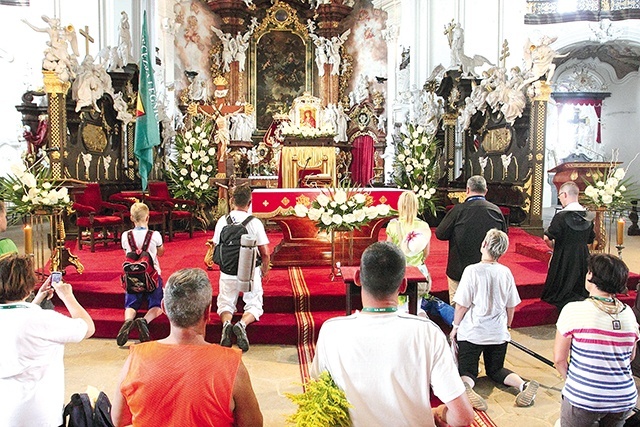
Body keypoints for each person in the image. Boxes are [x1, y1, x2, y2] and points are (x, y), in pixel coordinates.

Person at [310, 242, 475, 427]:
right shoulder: (427, 333)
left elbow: (318, 395)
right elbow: (463, 417)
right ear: (404, 285)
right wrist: (438, 412)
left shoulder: (332, 332)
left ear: (357, 278)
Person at [112, 268, 263, 427]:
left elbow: (118, 420)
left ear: (164, 308)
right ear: (208, 312)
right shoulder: (231, 365)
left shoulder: (135, 359)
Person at [0, 254, 95, 427]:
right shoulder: (43, 320)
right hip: (41, 415)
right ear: (29, 286)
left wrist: (37, 300)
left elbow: (18, 324)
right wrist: (67, 295)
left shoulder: (31, 318)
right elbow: (87, 328)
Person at [450, 229, 539, 411]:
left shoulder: (472, 271)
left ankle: (467, 387)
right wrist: (507, 327)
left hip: (473, 333)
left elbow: (461, 305)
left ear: (484, 245)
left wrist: (455, 327)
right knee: (496, 370)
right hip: (498, 333)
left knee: (467, 371)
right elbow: (511, 306)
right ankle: (523, 385)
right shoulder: (505, 272)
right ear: (503, 251)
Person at [553, 254, 639, 427]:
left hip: (585, 397)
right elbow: (630, 356)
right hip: (623, 397)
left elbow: (559, 359)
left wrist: (574, 381)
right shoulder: (629, 313)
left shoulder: (574, 310)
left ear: (591, 276)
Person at [214, 185, 270, 352]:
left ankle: (226, 324)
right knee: (254, 304)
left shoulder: (222, 221)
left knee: (225, 302)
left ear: (232, 201)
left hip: (227, 270)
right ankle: (241, 324)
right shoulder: (254, 222)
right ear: (250, 203)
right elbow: (265, 252)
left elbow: (217, 246)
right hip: (249, 271)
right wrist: (263, 271)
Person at [436, 175, 507, 303]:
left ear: (467, 190)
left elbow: (440, 234)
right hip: (487, 270)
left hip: (459, 269)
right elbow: (503, 238)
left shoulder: (458, 210)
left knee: (458, 305)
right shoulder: (495, 211)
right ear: (486, 191)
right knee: (483, 303)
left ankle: (458, 322)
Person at [116, 202, 165, 347]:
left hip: (132, 277)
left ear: (131, 218)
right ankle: (144, 321)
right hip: (152, 276)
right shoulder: (154, 235)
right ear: (148, 218)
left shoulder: (126, 235)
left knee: (130, 304)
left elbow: (126, 251)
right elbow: (161, 253)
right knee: (157, 306)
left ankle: (128, 321)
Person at [541, 181, 595, 309]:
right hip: (583, 257)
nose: (560, 199)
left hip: (563, 257)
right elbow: (590, 239)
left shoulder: (561, 216)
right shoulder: (588, 216)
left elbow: (546, 237)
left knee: (558, 293)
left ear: (564, 194)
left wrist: (554, 248)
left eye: (559, 196)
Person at [386, 190, 431, 313]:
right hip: (417, 271)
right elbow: (426, 252)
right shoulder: (424, 226)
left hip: (398, 271)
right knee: (415, 306)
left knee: (398, 309)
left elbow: (389, 251)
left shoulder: (393, 225)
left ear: (400, 205)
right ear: (416, 206)